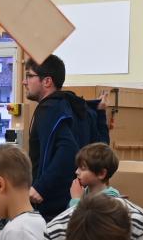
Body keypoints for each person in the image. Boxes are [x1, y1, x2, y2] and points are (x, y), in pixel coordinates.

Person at [24, 54, 94, 219]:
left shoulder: (49, 108)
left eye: (29, 76)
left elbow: (69, 150)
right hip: (71, 203)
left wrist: (42, 187)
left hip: (52, 207)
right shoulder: (71, 106)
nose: (24, 82)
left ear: (47, 81)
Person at [67, 142, 122, 208]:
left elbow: (84, 215)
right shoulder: (85, 192)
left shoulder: (110, 199)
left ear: (101, 173)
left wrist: (76, 199)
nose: (76, 172)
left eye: (83, 168)